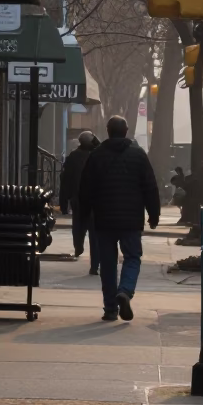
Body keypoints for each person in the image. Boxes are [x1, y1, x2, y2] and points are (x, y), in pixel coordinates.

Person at [78, 116, 161, 322]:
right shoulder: (138, 155)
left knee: (107, 263)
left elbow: (85, 188)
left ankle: (110, 309)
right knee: (132, 257)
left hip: (104, 219)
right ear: (126, 131)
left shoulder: (97, 155)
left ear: (108, 131)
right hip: (131, 220)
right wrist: (154, 214)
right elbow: (150, 186)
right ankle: (125, 291)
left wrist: (83, 214)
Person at [59, 132, 99, 274]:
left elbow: (65, 179)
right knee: (95, 233)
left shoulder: (73, 156)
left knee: (78, 225)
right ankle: (95, 264)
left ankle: (78, 245)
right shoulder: (97, 156)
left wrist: (64, 201)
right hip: (94, 200)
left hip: (78, 199)